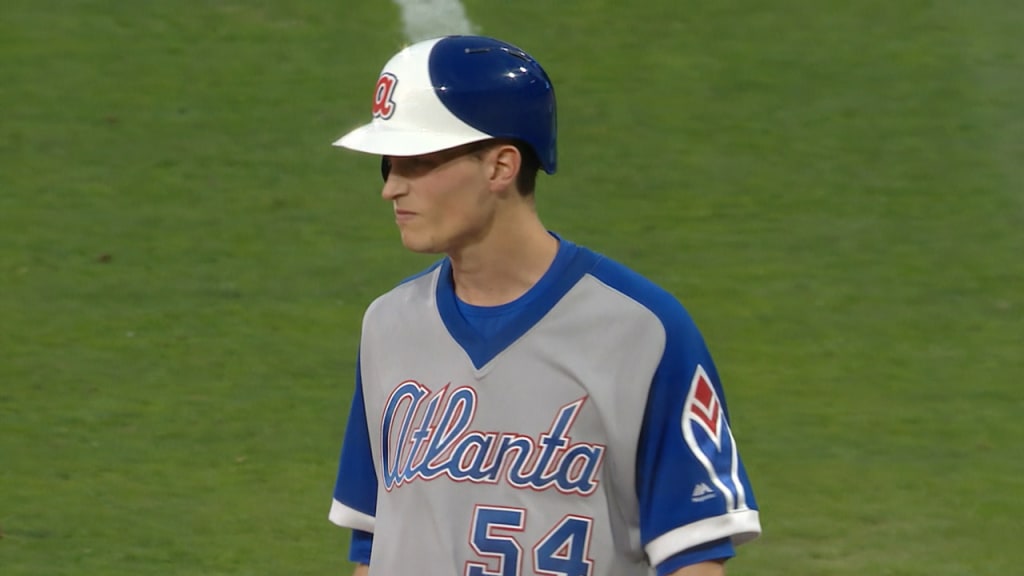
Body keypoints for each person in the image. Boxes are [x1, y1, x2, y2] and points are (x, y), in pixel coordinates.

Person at [328, 35, 761, 576]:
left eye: (418, 162)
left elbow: (692, 550)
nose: (392, 188)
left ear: (500, 167)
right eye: (388, 165)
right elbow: (373, 538)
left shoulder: (642, 330)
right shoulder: (387, 325)